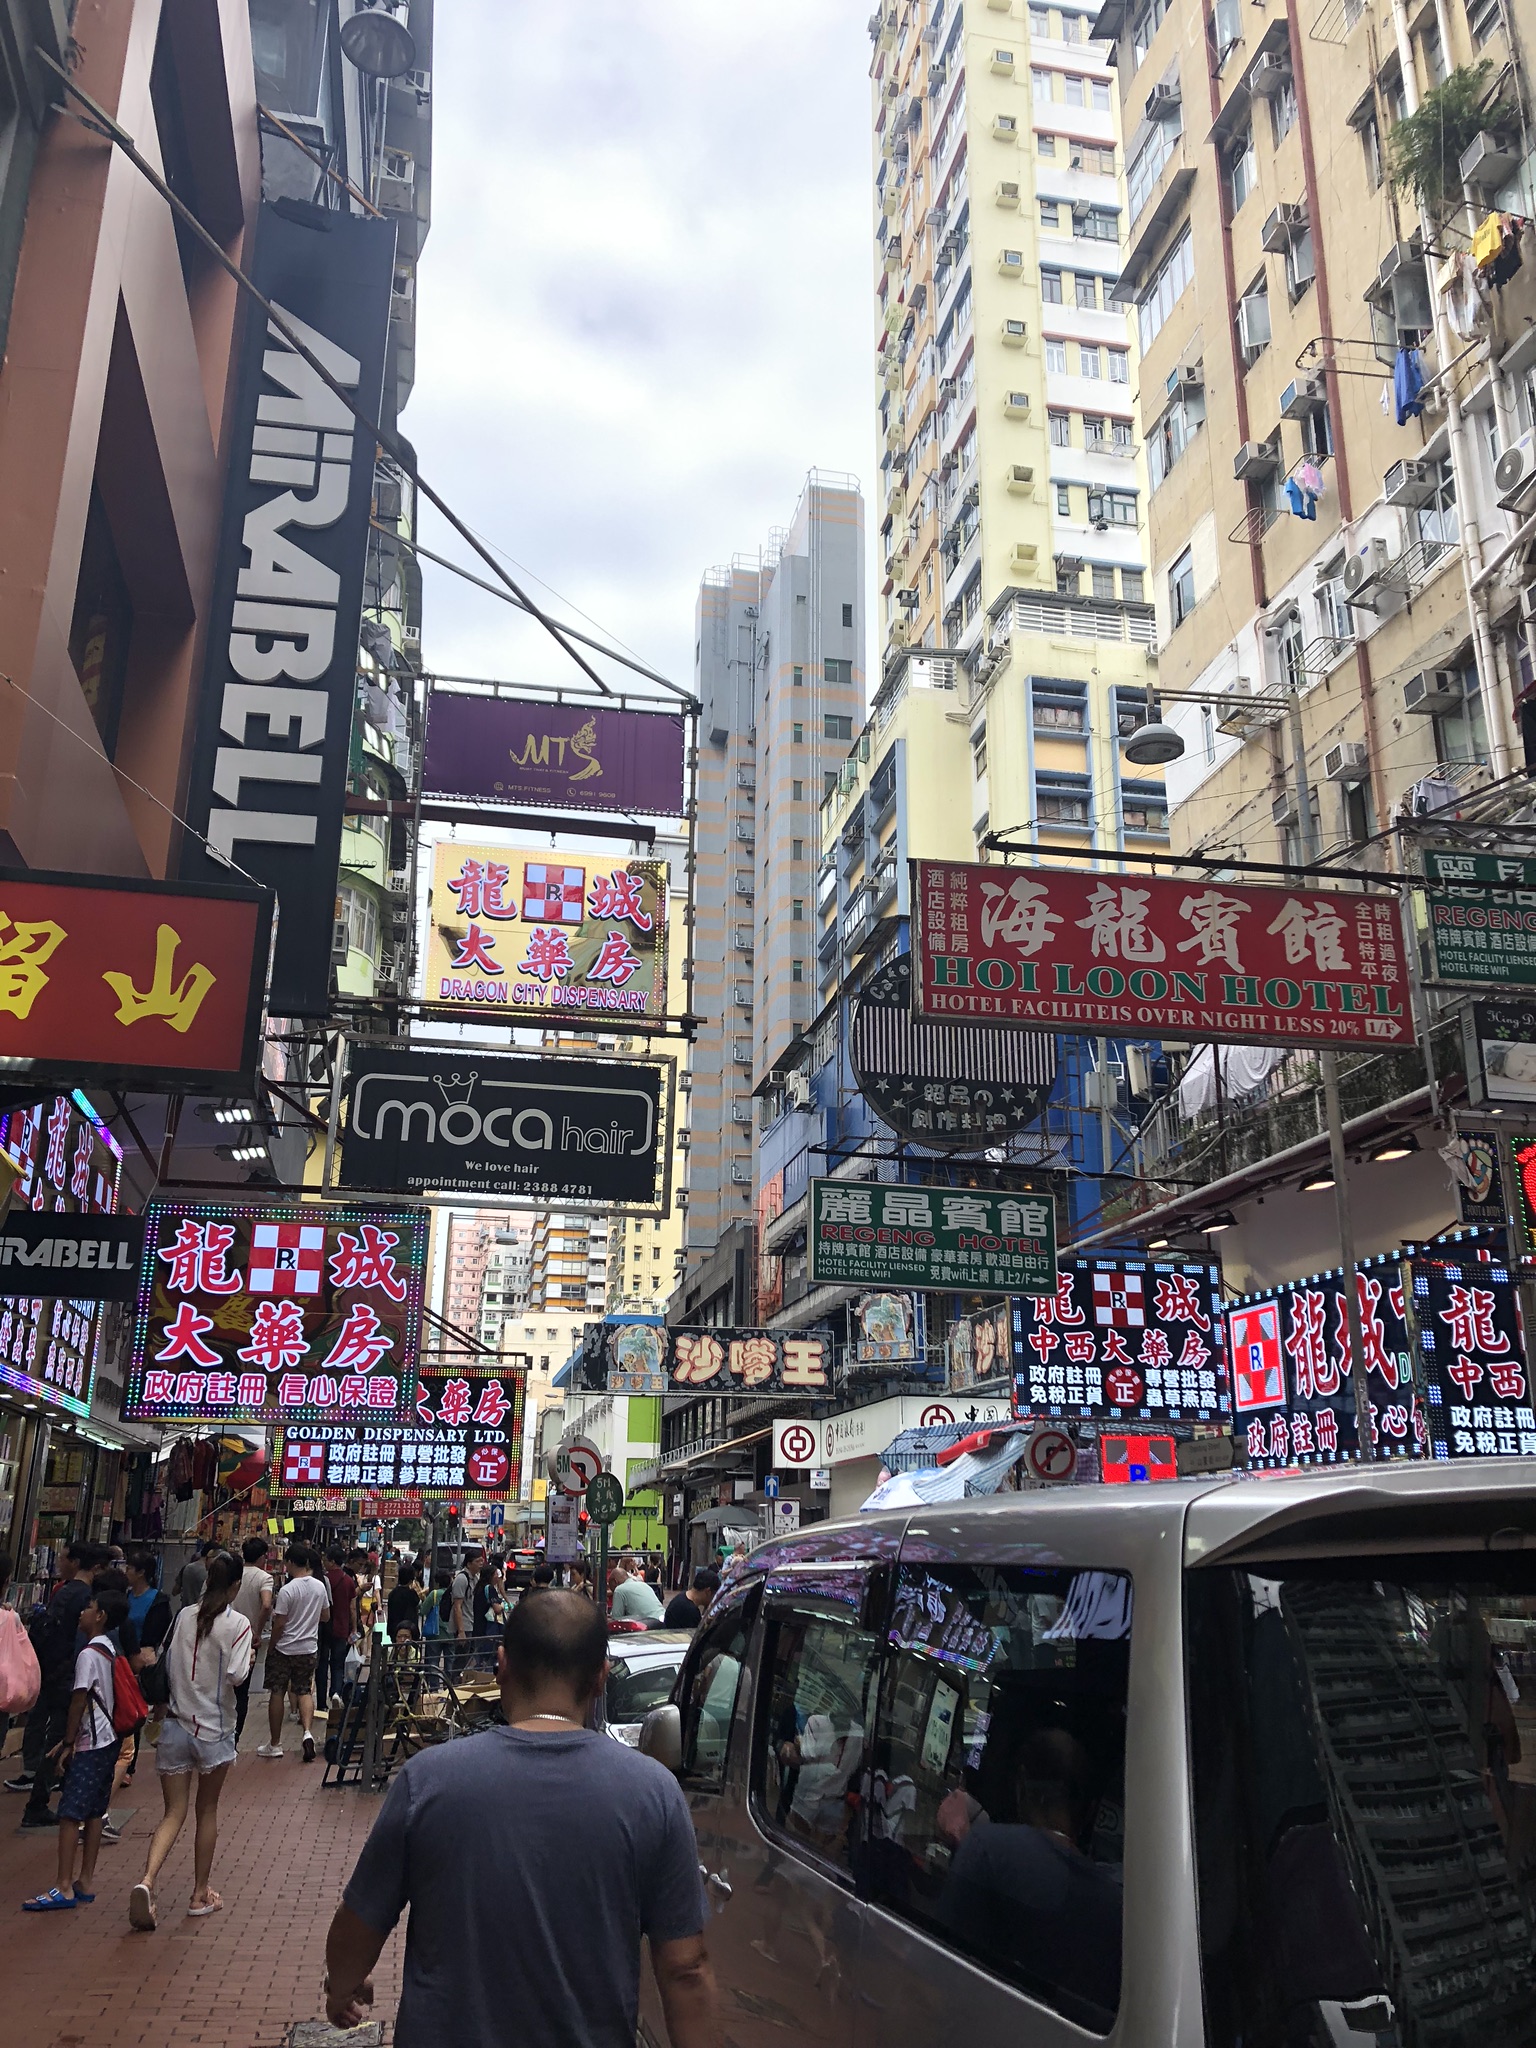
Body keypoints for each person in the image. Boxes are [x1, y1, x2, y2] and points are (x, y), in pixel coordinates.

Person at [323, 1592, 716, 2047]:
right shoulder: (653, 1793)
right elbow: (686, 1968)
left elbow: (360, 1920)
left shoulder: (428, 1781)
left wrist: (342, 1985)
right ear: (601, 1678)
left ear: (502, 1663)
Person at [127, 1552, 253, 1930]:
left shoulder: (184, 1616)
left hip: (175, 1727)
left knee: (173, 1812)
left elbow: (166, 1663)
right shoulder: (238, 1624)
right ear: (234, 1587)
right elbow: (237, 1675)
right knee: (207, 1810)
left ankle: (147, 1880)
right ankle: (200, 1893)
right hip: (214, 1729)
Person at [22, 1582, 128, 1910]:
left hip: (91, 1742)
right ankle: (84, 1880)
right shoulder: (109, 1647)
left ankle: (63, 1885)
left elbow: (78, 1699)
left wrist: (68, 1743)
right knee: (95, 1810)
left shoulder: (88, 1654)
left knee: (70, 1813)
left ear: (101, 1615)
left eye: (89, 1607)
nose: (83, 1612)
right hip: (109, 1738)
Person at [13, 1541, 104, 1826]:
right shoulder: (84, 1597)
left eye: (64, 1558)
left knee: (52, 1734)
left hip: (51, 1674)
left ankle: (47, 1795)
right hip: (67, 1677)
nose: (60, 1563)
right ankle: (39, 1803)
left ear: (76, 1562)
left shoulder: (63, 1593)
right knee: (60, 1740)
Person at [259, 1544, 329, 1763]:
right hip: (308, 1648)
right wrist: (308, 1621)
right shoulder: (319, 1587)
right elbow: (325, 1616)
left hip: (284, 1648)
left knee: (277, 1692)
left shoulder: (289, 1589)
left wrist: (271, 1646)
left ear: (290, 1563)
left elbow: (279, 1624)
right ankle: (307, 1732)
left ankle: (275, 1743)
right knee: (304, 1690)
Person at [229, 1537, 274, 1743]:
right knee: (242, 1689)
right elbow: (266, 1605)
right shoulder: (264, 1578)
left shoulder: (233, 1572)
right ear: (262, 1556)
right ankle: (235, 1737)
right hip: (247, 1639)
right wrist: (257, 1629)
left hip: (225, 1633)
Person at [320, 1549, 358, 1709]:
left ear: (332, 1561)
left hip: (324, 1628)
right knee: (338, 1664)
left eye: (326, 1559)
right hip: (342, 1628)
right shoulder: (348, 1580)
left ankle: (321, 1701)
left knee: (322, 1664)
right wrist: (354, 1628)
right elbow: (352, 1608)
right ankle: (336, 1692)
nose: (324, 1562)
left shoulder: (323, 1580)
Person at [610, 1559, 665, 1626]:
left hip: (649, 1625)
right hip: (664, 1619)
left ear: (615, 1582)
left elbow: (616, 1619)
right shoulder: (643, 1585)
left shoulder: (619, 1590)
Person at [450, 1549, 480, 1663]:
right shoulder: (462, 1579)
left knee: (468, 1659)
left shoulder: (475, 1578)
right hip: (464, 1626)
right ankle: (455, 1680)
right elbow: (457, 1606)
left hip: (471, 1624)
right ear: (469, 1563)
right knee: (460, 1660)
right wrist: (461, 1631)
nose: (480, 1564)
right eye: (477, 1561)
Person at [386, 1563, 421, 1643]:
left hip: (394, 1629)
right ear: (411, 1579)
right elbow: (419, 1604)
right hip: (410, 1629)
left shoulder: (393, 1593)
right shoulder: (411, 1593)